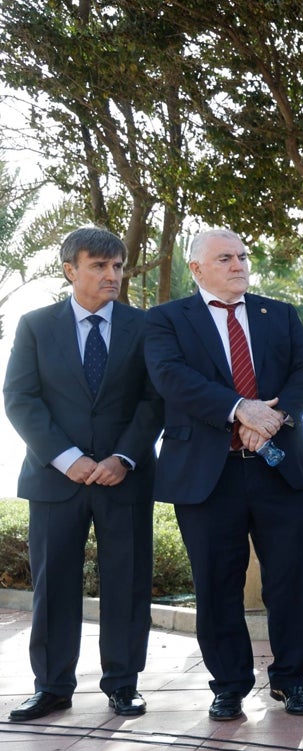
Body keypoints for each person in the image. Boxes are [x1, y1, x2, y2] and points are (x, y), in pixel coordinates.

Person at [145, 228, 303, 722]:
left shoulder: (279, 314)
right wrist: (239, 410)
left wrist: (271, 422)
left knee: (290, 580)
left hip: (277, 469)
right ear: (197, 268)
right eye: (226, 258)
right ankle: (229, 684)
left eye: (243, 256)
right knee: (216, 584)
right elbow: (171, 379)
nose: (240, 265)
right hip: (206, 475)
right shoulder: (165, 320)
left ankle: (291, 680)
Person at [3, 227, 164, 722]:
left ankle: (122, 684)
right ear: (70, 269)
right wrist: (66, 456)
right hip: (55, 480)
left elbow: (154, 399)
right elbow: (20, 398)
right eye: (99, 265)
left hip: (125, 477)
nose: (112, 275)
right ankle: (52, 686)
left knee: (127, 582)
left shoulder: (145, 327)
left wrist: (124, 457)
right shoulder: (34, 325)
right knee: (53, 586)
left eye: (117, 266)